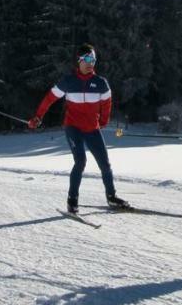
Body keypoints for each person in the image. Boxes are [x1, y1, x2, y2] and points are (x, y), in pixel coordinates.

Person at [30, 43, 129, 213]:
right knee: (80, 161)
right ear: (79, 61)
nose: (91, 63)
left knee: (105, 164)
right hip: (73, 127)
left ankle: (111, 197)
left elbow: (107, 104)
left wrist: (103, 121)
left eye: (94, 60)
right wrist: (38, 116)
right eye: (88, 59)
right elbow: (49, 99)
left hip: (92, 128)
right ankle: (72, 200)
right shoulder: (68, 82)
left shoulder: (101, 83)